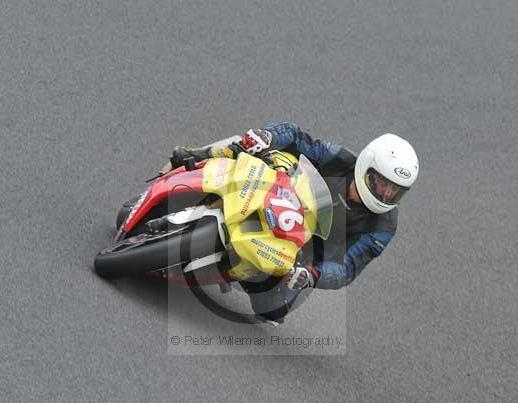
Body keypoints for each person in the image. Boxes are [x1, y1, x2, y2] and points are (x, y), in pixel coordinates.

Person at [170, 122, 419, 324]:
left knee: (271, 310)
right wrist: (268, 136)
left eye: (395, 191)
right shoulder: (341, 160)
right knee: (248, 149)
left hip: (299, 256)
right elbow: (297, 137)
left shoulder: (383, 226)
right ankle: (198, 157)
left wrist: (313, 274)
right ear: (367, 166)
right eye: (382, 183)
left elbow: (348, 268)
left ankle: (226, 268)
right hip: (280, 200)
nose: (386, 194)